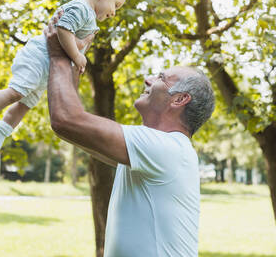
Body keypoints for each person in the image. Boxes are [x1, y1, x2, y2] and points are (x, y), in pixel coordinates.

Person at [44, 17, 215, 256]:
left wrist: (58, 54)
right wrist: (74, 59)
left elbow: (67, 120)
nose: (148, 79)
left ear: (179, 100)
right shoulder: (151, 150)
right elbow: (73, 130)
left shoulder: (167, 149)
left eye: (161, 78)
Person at [0, 0, 126, 156]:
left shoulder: (90, 18)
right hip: (38, 57)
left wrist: (77, 61)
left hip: (48, 66)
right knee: (16, 92)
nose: (114, 13)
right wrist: (76, 55)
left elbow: (77, 44)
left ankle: (2, 129)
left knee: (26, 104)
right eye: (116, 5)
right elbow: (63, 29)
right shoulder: (81, 8)